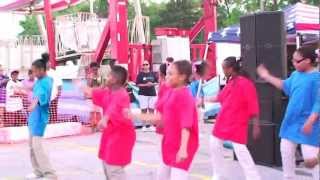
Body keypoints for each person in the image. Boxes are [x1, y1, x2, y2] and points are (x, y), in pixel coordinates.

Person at [257, 46, 320, 180]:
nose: (293, 63)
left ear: (308, 61)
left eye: (297, 61)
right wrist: (266, 76)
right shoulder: (296, 75)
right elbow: (285, 85)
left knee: (312, 163)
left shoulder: (317, 78)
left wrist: (310, 121)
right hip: (290, 124)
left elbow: (318, 103)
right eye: (292, 60)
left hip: (310, 127)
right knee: (286, 157)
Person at [130, 60, 199, 180]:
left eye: (171, 74)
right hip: (170, 142)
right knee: (162, 175)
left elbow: (186, 126)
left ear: (182, 77)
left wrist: (183, 149)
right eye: (167, 73)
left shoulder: (185, 97)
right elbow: (159, 118)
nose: (166, 77)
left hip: (183, 144)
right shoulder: (170, 93)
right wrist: (132, 115)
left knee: (178, 176)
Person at [206, 57, 261, 180]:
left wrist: (256, 125)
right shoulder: (231, 82)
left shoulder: (246, 84)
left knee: (241, 151)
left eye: (224, 68)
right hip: (223, 120)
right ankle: (218, 174)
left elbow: (253, 105)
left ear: (231, 68)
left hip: (237, 122)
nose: (223, 71)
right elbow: (220, 97)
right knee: (214, 144)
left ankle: (253, 177)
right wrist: (203, 99)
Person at [77, 65, 136, 180]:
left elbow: (111, 111)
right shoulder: (108, 92)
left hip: (121, 137)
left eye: (108, 75)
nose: (106, 78)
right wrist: (79, 85)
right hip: (110, 135)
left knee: (114, 170)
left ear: (114, 79)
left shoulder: (122, 95)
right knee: (107, 167)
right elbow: (90, 92)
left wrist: (93, 128)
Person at [26, 56, 56, 179]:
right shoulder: (38, 80)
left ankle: (50, 174)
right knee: (32, 146)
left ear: (41, 70)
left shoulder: (47, 81)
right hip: (33, 118)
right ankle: (37, 170)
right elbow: (35, 91)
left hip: (39, 118)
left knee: (37, 147)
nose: (33, 73)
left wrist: (33, 104)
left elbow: (40, 96)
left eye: (34, 71)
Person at [136, 60, 158, 132]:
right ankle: (144, 126)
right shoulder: (140, 75)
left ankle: (151, 125)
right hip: (143, 94)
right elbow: (138, 84)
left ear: (149, 65)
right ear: (142, 66)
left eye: (146, 64)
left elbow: (157, 82)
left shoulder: (153, 74)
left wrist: (152, 84)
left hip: (152, 94)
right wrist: (146, 85)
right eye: (144, 64)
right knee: (144, 110)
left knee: (151, 109)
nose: (145, 66)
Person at [43, 53, 63, 123]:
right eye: (47, 63)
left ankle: (54, 127)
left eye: (49, 62)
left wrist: (58, 94)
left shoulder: (54, 73)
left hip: (53, 98)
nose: (49, 64)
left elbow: (59, 85)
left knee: (53, 115)